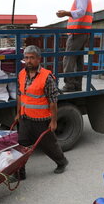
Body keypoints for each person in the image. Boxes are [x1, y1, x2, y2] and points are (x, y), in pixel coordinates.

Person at [14, 45, 69, 179]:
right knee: (21, 146)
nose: (29, 61)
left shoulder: (47, 77)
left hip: (42, 120)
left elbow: (53, 101)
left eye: (32, 58)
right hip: (25, 118)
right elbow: (20, 96)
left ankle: (62, 162)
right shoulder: (21, 74)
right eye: (26, 58)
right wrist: (18, 113)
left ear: (39, 59)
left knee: (49, 146)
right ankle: (20, 172)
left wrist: (54, 121)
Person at [56, 0, 93, 92]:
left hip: (77, 33)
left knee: (68, 59)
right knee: (78, 60)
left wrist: (66, 13)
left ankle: (70, 85)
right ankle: (77, 85)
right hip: (82, 32)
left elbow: (81, 12)